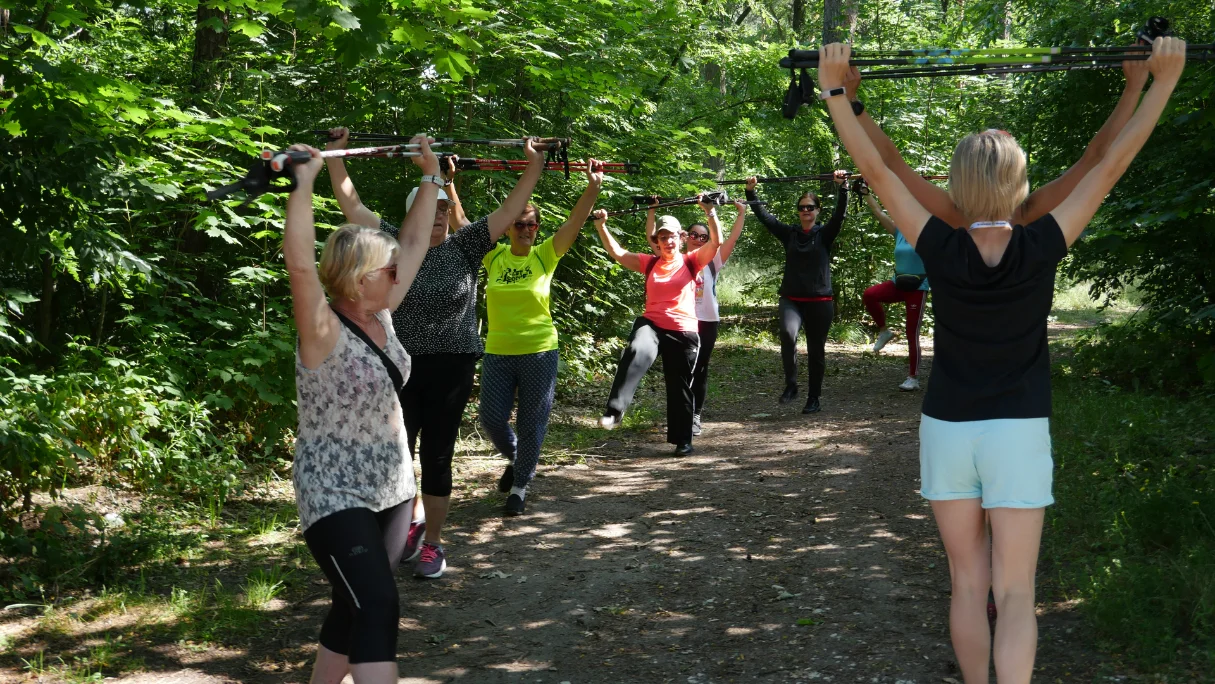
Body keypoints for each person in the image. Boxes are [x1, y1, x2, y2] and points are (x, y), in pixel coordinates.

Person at [817, 37, 1184, 683]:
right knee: (1014, 594)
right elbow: (1108, 165)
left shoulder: (938, 238)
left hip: (948, 426)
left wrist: (835, 91)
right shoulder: (1043, 238)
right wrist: (1161, 82)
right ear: (1018, 181)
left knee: (966, 585)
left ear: (958, 182)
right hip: (1016, 428)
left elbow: (880, 171)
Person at [325, 127, 545, 579]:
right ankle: (399, 529)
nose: (440, 216)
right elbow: (351, 205)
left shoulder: (466, 246)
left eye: (445, 208)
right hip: (400, 368)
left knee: (438, 456)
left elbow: (508, 210)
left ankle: (433, 544)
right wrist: (334, 156)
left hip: (452, 365)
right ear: (415, 215)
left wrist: (534, 164)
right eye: (433, 210)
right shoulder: (391, 244)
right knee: (396, 454)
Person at [284, 135, 439, 682]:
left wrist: (430, 177)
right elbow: (302, 268)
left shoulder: (384, 315)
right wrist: (302, 184)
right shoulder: (323, 329)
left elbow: (418, 240)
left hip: (393, 489)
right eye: (390, 269)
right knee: (378, 606)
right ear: (360, 277)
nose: (401, 274)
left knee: (352, 606)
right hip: (334, 493)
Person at [478, 159, 605, 516]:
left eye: (532, 224)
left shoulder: (545, 255)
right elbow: (459, 222)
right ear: (506, 228)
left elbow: (575, 222)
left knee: (532, 421)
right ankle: (518, 458)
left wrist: (592, 187)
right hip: (498, 351)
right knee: (490, 418)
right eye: (519, 223)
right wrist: (446, 182)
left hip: (539, 350)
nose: (526, 229)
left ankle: (520, 486)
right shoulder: (494, 256)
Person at [592, 197, 723, 455]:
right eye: (662, 237)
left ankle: (683, 440)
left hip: (683, 331)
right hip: (652, 324)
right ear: (657, 241)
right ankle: (615, 411)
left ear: (681, 237)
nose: (668, 242)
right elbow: (617, 252)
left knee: (679, 385)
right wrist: (601, 227)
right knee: (637, 349)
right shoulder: (649, 263)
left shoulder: (691, 261)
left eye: (672, 236)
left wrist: (711, 212)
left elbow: (716, 243)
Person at [745, 170, 850, 414]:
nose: (806, 211)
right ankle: (791, 384)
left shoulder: (824, 234)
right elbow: (765, 217)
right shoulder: (789, 234)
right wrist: (750, 192)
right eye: (802, 207)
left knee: (816, 350)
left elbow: (840, 215)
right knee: (787, 334)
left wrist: (843, 186)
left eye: (810, 207)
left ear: (817, 210)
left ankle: (814, 397)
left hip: (820, 300)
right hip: (792, 298)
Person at [673, 201, 747, 436]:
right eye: (693, 234)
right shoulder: (676, 259)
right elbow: (653, 242)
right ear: (686, 237)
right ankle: (680, 414)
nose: (698, 238)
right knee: (681, 370)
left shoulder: (713, 261)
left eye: (703, 236)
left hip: (707, 321)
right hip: (681, 320)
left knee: (700, 369)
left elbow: (731, 240)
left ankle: (695, 415)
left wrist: (742, 212)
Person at [859, 187, 929, 391]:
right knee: (870, 295)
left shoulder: (929, 233)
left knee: (911, 332)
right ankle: (884, 331)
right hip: (898, 283)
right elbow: (880, 212)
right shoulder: (900, 231)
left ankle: (913, 377)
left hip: (918, 287)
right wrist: (866, 193)